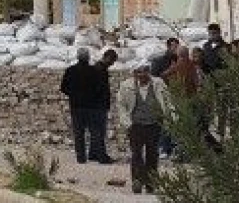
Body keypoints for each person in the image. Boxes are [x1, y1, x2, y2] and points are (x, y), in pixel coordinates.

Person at [116, 63, 173, 195]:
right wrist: (127, 122)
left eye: (144, 72)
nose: (141, 75)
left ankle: (150, 183)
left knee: (152, 154)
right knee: (136, 154)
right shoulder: (127, 86)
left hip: (154, 125)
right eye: (138, 72)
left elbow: (167, 102)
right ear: (134, 74)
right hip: (135, 125)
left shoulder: (158, 84)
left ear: (148, 72)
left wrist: (170, 119)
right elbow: (121, 105)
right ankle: (137, 180)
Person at [59, 48, 106, 164]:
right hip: (92, 106)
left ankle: (81, 158)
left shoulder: (70, 71)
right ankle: (98, 156)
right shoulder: (94, 71)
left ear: (77, 57)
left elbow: (63, 88)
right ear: (88, 58)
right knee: (95, 132)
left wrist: (73, 95)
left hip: (76, 106)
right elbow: (100, 88)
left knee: (78, 133)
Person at [92, 49, 118, 164]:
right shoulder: (100, 69)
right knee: (100, 131)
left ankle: (92, 154)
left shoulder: (97, 68)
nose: (112, 64)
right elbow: (98, 89)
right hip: (98, 105)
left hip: (95, 105)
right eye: (112, 61)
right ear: (107, 57)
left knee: (96, 131)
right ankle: (102, 156)